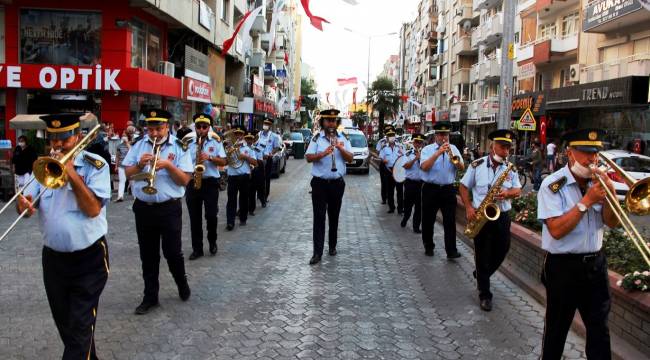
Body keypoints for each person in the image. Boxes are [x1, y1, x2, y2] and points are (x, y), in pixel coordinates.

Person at [17, 113, 111, 359]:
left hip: (89, 259)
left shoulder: (95, 166)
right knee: (70, 329)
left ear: (78, 137)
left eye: (64, 140)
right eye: (53, 140)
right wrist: (23, 205)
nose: (57, 146)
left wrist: (72, 176)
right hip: (54, 260)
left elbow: (92, 209)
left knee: (79, 330)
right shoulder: (44, 165)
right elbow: (29, 204)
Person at [537, 129, 618, 360]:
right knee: (557, 329)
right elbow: (557, 230)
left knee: (599, 330)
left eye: (595, 154)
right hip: (564, 267)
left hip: (596, 265)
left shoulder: (599, 183)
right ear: (570, 153)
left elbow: (611, 223)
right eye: (585, 153)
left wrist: (610, 197)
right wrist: (587, 201)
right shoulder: (553, 185)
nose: (592, 159)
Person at [122, 109, 193, 315]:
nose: (154, 134)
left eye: (158, 129)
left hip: (169, 208)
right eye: (150, 129)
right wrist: (139, 165)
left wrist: (169, 166)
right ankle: (150, 296)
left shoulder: (180, 147)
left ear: (167, 127)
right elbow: (128, 173)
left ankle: (182, 283)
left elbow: (185, 180)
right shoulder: (138, 145)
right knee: (148, 256)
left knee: (172, 253)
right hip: (143, 208)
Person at [459, 129, 522, 311]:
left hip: (501, 215)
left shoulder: (510, 169)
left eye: (508, 148)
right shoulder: (477, 165)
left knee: (503, 249)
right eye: (502, 147)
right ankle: (484, 294)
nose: (506, 151)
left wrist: (507, 193)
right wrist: (469, 207)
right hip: (481, 215)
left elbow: (517, 190)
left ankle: (482, 273)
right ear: (492, 146)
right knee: (481, 254)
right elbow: (463, 186)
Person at [305, 109, 353, 265]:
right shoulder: (317, 138)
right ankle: (317, 253)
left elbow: (350, 159)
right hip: (319, 184)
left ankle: (332, 246)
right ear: (323, 122)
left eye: (334, 121)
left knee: (334, 216)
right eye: (328, 120)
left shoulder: (343, 138)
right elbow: (308, 158)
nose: (331, 123)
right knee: (318, 218)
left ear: (337, 122)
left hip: (337, 184)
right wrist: (323, 154)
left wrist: (340, 148)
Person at [419, 121, 465, 258]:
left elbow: (461, 167)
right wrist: (438, 153)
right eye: (441, 135)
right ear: (435, 135)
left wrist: (454, 160)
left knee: (450, 221)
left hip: (448, 189)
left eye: (446, 135)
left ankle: (451, 250)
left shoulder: (454, 149)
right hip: (430, 189)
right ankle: (429, 246)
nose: (444, 138)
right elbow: (424, 167)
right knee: (428, 219)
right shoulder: (427, 150)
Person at [185, 114, 227, 260]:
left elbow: (223, 161)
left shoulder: (215, 142)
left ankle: (212, 241)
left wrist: (209, 158)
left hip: (210, 182)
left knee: (211, 215)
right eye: (198, 127)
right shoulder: (188, 142)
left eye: (204, 127)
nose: (201, 129)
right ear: (195, 127)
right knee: (194, 218)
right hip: (192, 182)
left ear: (209, 128)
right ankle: (197, 249)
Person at [225, 125, 257, 230]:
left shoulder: (248, 148)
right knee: (231, 200)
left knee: (243, 199)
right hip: (232, 176)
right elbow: (224, 161)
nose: (238, 136)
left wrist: (246, 157)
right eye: (236, 134)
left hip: (244, 176)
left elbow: (255, 163)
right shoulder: (228, 147)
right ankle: (230, 222)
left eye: (240, 134)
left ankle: (243, 219)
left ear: (243, 136)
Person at [401, 133, 425, 233]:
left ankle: (416, 226)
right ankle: (405, 218)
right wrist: (415, 159)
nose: (418, 144)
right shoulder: (407, 153)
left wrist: (421, 159)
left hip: (421, 184)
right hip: (410, 183)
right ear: (413, 142)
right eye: (417, 142)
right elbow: (406, 166)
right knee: (408, 205)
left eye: (420, 143)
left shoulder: (425, 154)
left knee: (419, 207)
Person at [379, 128, 405, 214]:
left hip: (398, 171)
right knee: (390, 191)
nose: (391, 138)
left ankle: (400, 209)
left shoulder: (400, 146)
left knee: (400, 191)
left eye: (392, 136)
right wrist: (384, 160)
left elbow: (405, 157)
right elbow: (381, 157)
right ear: (387, 138)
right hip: (388, 171)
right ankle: (391, 207)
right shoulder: (384, 147)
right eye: (389, 136)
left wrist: (402, 154)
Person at [258, 119, 281, 204]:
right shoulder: (259, 134)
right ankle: (259, 194)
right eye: (265, 123)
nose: (265, 125)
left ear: (270, 126)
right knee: (258, 177)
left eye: (267, 124)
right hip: (259, 158)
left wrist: (271, 153)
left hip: (268, 158)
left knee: (266, 178)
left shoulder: (274, 136)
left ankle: (265, 195)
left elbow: (276, 147)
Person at [247, 130, 266, 216]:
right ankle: (249, 208)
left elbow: (258, 156)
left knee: (260, 186)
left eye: (252, 137)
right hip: (248, 165)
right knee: (250, 188)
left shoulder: (261, 143)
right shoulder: (246, 144)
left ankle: (263, 200)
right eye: (248, 138)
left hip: (258, 164)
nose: (250, 139)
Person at [115, 126, 135, 202]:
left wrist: (127, 143)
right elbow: (117, 156)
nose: (123, 137)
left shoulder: (132, 144)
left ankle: (135, 196)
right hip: (121, 166)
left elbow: (133, 153)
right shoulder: (119, 146)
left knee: (132, 181)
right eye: (122, 135)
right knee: (121, 181)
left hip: (130, 166)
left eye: (124, 135)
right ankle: (120, 196)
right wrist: (116, 165)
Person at [375, 125, 394, 205]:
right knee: (383, 181)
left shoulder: (396, 141)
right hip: (384, 163)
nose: (388, 133)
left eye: (390, 131)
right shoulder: (381, 141)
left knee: (393, 182)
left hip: (393, 165)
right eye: (387, 131)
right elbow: (377, 152)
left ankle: (390, 198)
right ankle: (384, 198)